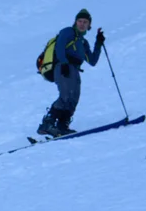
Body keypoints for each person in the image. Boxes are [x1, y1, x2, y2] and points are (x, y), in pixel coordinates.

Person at [38, 9, 105, 137]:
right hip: (63, 66)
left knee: (74, 98)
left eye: (85, 22)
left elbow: (92, 60)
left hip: (74, 69)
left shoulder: (83, 43)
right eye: (80, 21)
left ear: (89, 25)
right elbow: (60, 46)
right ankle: (47, 123)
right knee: (66, 95)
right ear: (75, 22)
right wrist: (63, 63)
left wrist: (99, 43)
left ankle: (62, 125)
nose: (82, 24)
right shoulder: (68, 31)